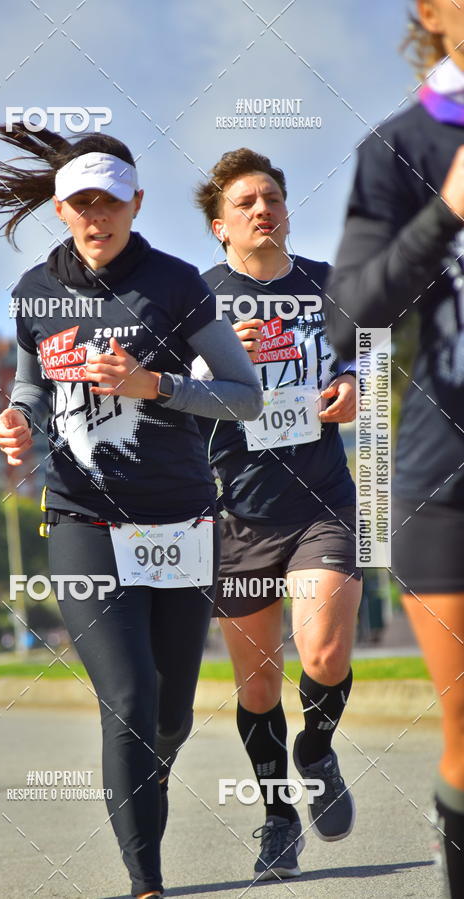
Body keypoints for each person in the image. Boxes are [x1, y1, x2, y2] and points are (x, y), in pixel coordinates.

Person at [0, 124, 262, 899]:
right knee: (128, 700)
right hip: (82, 520)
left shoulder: (175, 284)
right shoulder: (35, 290)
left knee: (169, 714)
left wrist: (152, 384)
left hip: (182, 521)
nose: (96, 216)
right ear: (61, 209)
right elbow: (31, 386)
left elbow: (244, 396)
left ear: (136, 202)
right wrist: (17, 418)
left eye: (110, 202)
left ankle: (146, 776)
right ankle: (145, 881)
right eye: (81, 203)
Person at [324, 3, 464, 894]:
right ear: (431, 11)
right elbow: (349, 316)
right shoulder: (402, 145)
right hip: (446, 481)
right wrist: (446, 212)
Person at [193, 148, 362, 880]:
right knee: (258, 686)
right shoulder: (197, 299)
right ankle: (278, 818)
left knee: (324, 656)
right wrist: (212, 366)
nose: (262, 210)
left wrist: (354, 381)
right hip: (234, 512)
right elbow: (159, 396)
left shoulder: (328, 285)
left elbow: (370, 352)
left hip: (321, 499)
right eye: (245, 203)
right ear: (220, 226)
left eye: (272, 198)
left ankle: (316, 748)